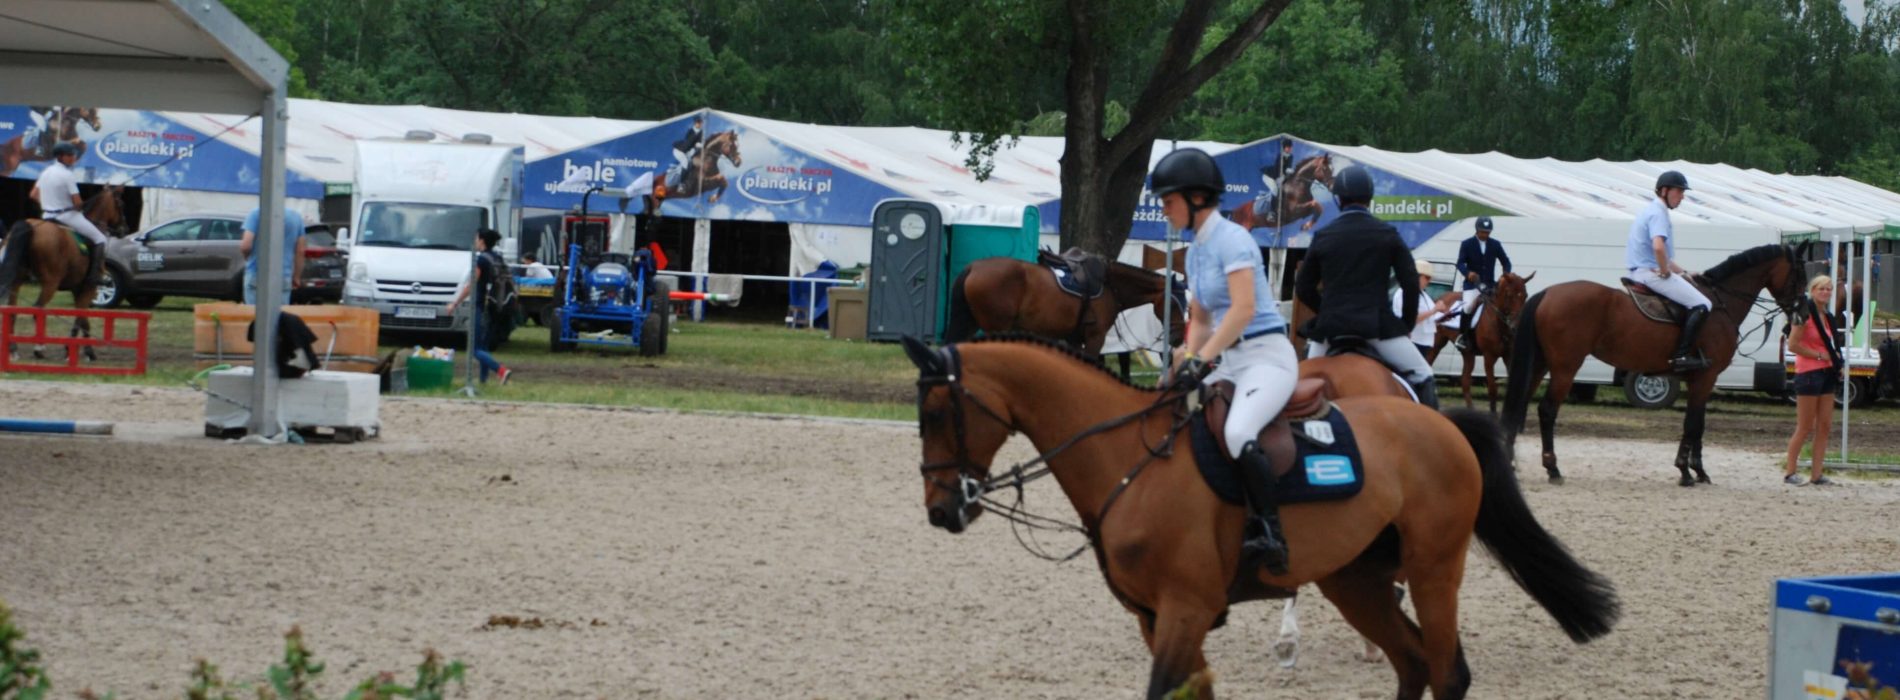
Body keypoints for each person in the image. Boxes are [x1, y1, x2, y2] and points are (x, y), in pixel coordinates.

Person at [1154, 147, 1299, 575]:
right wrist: (1185, 360)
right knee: (1171, 411)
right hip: (1231, 359)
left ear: (1197, 197)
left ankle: (1270, 532)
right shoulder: (1196, 250)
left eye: (1168, 201)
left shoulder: (1233, 239)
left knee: (1238, 431)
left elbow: (1243, 310)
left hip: (1267, 357)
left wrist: (1203, 360)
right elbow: (1200, 318)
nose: (1164, 210)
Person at [1295, 164, 1440, 408]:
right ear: (1370, 199)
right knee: (1423, 375)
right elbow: (1410, 284)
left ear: (1338, 199)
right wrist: (1404, 324)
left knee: (1300, 383)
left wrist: (1327, 311)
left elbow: (1303, 287)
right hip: (1377, 328)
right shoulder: (1387, 233)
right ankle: (1434, 440)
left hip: (1331, 332)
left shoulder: (1324, 236)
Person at [1627, 170, 1711, 372]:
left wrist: (1684, 272)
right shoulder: (1659, 213)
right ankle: (1681, 356)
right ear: (1664, 191)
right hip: (1649, 274)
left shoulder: (1651, 210)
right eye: (1679, 191)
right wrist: (1665, 272)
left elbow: (1664, 255)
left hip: (1640, 270)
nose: (1682, 197)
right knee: (1703, 303)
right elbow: (1658, 247)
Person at [1782, 274, 1845, 486]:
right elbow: (1793, 344)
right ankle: (1790, 471)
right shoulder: (1804, 313)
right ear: (1813, 290)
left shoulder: (1827, 316)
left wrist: (1837, 363)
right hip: (1809, 372)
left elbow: (1831, 344)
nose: (1826, 292)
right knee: (1805, 425)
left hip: (1827, 372)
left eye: (1828, 289)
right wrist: (1819, 356)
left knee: (1825, 425)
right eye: (1821, 289)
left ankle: (1817, 473)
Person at [28, 142, 108, 285]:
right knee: (100, 238)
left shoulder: (46, 172)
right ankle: (95, 276)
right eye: (70, 155)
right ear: (60, 157)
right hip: (67, 216)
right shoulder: (67, 175)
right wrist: (79, 206)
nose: (73, 158)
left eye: (74, 155)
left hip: (46, 216)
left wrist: (48, 206)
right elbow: (77, 203)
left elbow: (34, 195)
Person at [446, 228, 512, 385]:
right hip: (494, 307)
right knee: (483, 347)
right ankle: (483, 381)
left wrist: (455, 303)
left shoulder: (482, 260)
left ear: (482, 241)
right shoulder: (497, 258)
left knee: (474, 349)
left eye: (476, 238)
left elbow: (471, 285)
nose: (475, 241)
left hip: (480, 306)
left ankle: (501, 370)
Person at [1454, 216, 1512, 352]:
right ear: (1477, 230)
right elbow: (1460, 263)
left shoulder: (1495, 244)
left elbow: (1506, 262)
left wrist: (1506, 275)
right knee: (1468, 306)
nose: (1485, 235)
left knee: (1503, 306)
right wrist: (1468, 273)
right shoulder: (1467, 244)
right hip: (1472, 285)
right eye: (1483, 232)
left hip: (1490, 285)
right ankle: (1463, 336)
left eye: (1488, 232)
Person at [239, 205, 307, 306]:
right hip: (283, 276)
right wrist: (296, 276)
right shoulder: (296, 217)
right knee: (281, 317)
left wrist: (246, 257)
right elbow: (300, 251)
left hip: (256, 273)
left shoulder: (256, 213)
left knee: (253, 315)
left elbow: (246, 246)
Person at [1399, 259, 1446, 360]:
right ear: (1417, 276)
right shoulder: (1404, 293)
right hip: (1412, 342)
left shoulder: (1423, 294)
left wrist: (1442, 318)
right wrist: (1434, 310)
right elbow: (1411, 319)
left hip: (1423, 342)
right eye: (1427, 278)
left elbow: (1426, 317)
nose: (1430, 281)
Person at [668, 116, 704, 183]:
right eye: (697, 122)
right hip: (679, 151)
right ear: (695, 123)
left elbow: (699, 143)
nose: (699, 124)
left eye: (700, 122)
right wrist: (698, 145)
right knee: (685, 163)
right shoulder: (690, 131)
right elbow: (689, 143)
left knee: (690, 163)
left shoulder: (701, 132)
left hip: (687, 151)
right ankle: (681, 184)